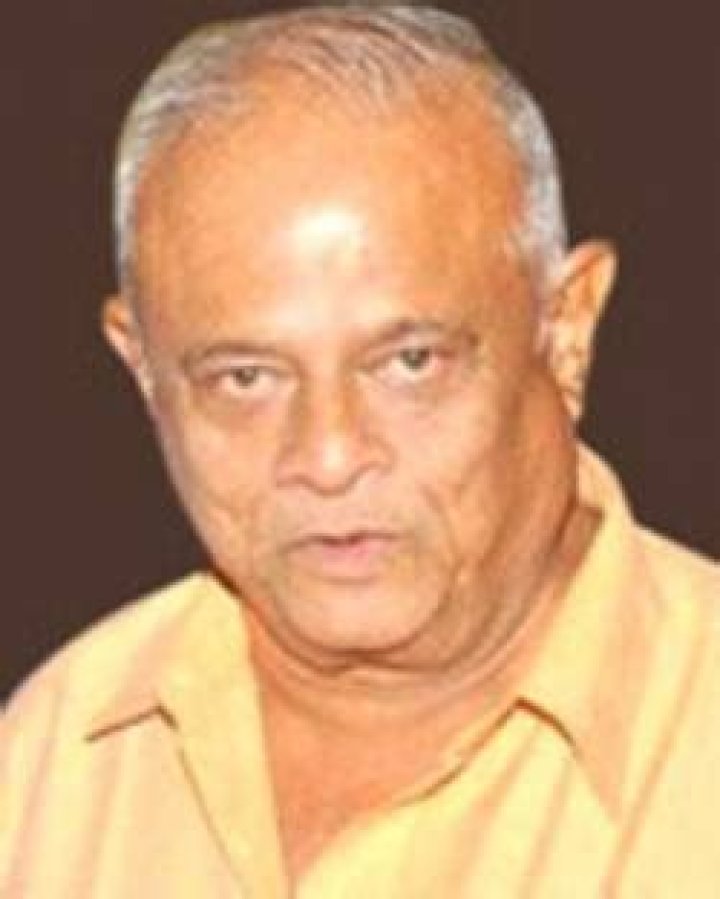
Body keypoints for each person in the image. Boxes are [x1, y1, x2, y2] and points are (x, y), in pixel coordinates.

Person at [1, 4, 718, 896]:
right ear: (142, 367)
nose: (330, 455)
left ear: (566, 330)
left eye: (409, 362)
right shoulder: (48, 769)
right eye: (245, 378)